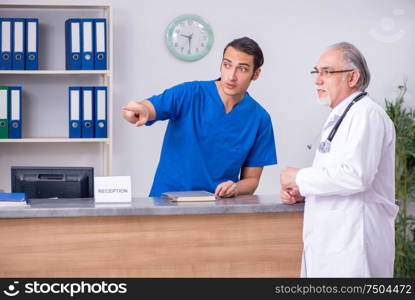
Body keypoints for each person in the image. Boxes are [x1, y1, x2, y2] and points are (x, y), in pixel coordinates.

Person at [280, 42, 398, 277]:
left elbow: (356, 176)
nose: (317, 80)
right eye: (317, 72)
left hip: (354, 247)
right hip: (333, 244)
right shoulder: (342, 116)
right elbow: (337, 176)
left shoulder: (367, 114)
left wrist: (300, 177)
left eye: (327, 72)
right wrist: (305, 190)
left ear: (352, 77)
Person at [123, 37, 277, 198]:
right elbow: (144, 109)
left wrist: (236, 188)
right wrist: (139, 111)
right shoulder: (189, 93)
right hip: (168, 202)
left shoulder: (260, 119)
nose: (231, 76)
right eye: (227, 65)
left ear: (256, 74)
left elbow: (252, 180)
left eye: (243, 69)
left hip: (217, 207)